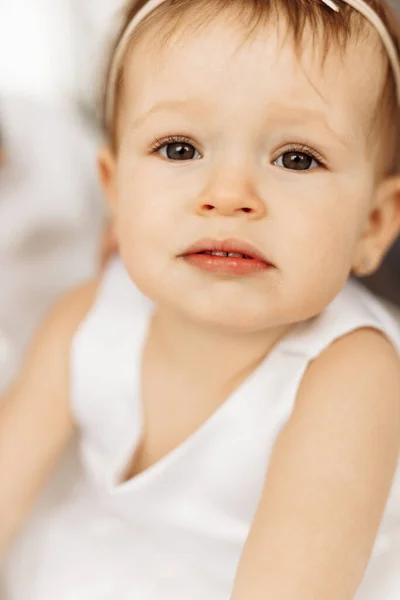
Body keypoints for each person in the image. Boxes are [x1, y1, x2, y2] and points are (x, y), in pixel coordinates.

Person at [1, 0, 400, 598]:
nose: (229, 194)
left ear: (372, 224)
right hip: (114, 558)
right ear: (113, 189)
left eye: (296, 158)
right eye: (180, 149)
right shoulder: (86, 318)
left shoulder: (352, 378)